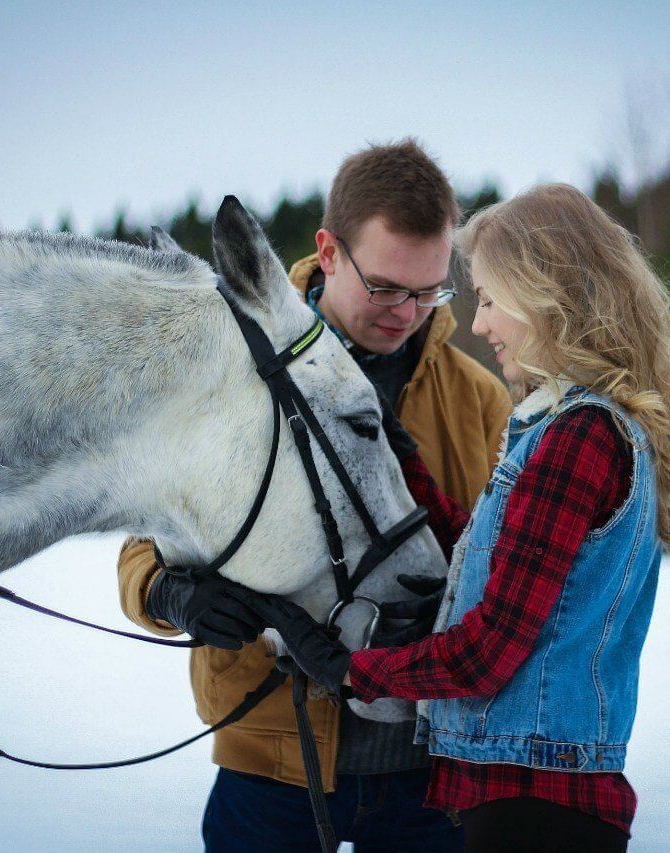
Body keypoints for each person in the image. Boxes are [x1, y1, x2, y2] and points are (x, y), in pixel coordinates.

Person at [260, 183, 670, 852]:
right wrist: (401, 455)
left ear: (546, 295)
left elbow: (488, 650)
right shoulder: (571, 426)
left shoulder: (577, 439)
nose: (479, 324)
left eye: (492, 300)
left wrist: (352, 671)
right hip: (541, 798)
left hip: (533, 811)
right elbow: (490, 554)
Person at [116, 140, 512, 851]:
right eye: (387, 287)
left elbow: (501, 572)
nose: (408, 312)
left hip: (431, 775)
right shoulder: (237, 374)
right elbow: (141, 545)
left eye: (430, 291)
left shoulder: (478, 398)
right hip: (270, 768)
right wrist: (174, 595)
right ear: (328, 253)